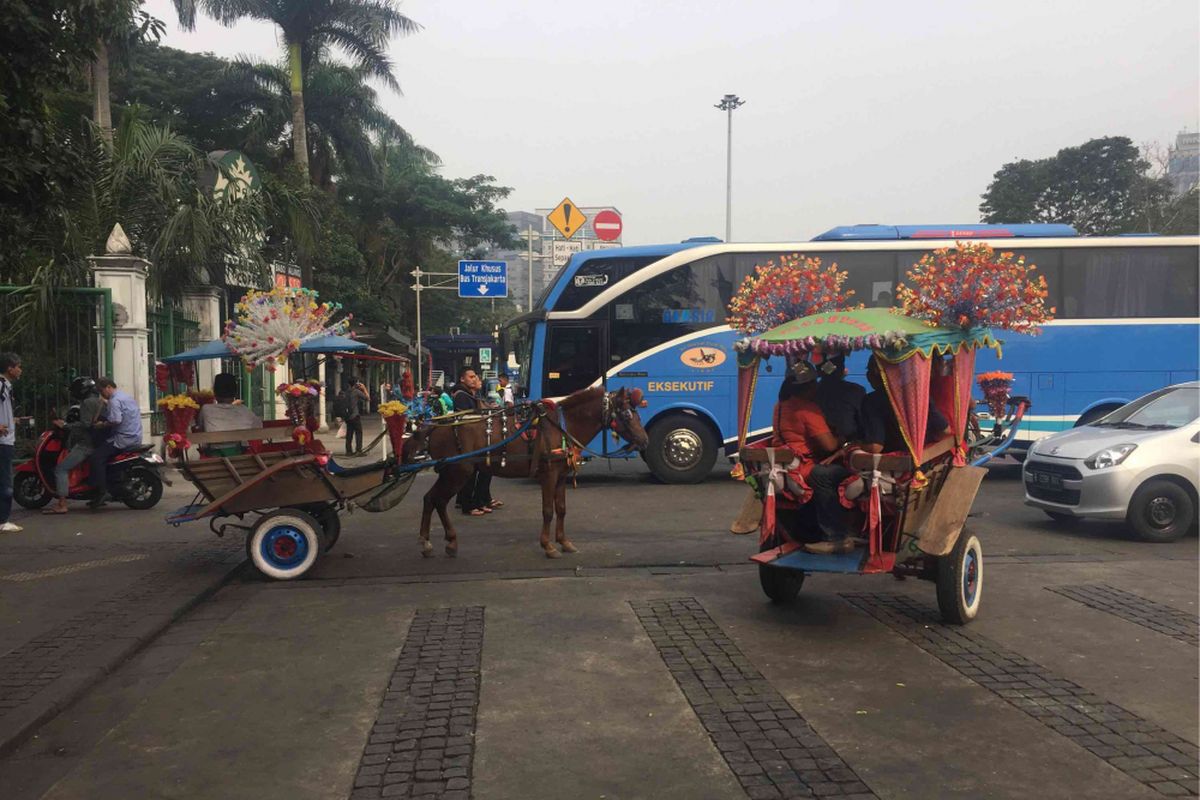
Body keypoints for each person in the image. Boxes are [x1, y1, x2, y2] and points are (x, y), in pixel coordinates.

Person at [769, 361, 850, 555]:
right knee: (827, 474)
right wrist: (843, 439)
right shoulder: (808, 409)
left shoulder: (780, 406)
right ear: (810, 386)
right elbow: (829, 445)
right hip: (804, 468)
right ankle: (836, 536)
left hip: (786, 466)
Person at [859, 356, 950, 455]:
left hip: (896, 465)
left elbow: (875, 447)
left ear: (877, 372)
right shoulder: (918, 394)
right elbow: (945, 431)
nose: (867, 375)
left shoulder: (872, 400)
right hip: (927, 461)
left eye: (869, 370)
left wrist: (852, 446)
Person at [44, 377, 105, 515]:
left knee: (61, 469)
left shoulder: (87, 402)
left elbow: (85, 425)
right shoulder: (99, 400)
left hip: (86, 444)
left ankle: (62, 504)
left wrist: (65, 425)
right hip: (98, 442)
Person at [87, 376, 143, 508]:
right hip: (135, 436)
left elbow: (116, 419)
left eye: (101, 391)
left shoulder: (114, 400)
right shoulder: (126, 397)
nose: (101, 394)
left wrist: (102, 424)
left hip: (123, 439)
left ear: (108, 387)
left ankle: (102, 491)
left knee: (96, 457)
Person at [452, 369, 501, 516]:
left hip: (476, 437)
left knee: (482, 468)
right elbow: (469, 417)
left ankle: (480, 500)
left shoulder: (471, 394)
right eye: (471, 377)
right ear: (462, 379)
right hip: (469, 439)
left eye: (476, 377)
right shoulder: (461, 395)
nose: (475, 379)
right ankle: (470, 504)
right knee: (473, 471)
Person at [814, 354, 865, 444]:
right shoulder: (855, 390)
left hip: (819, 443)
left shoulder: (810, 393)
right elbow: (863, 423)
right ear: (842, 368)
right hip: (848, 442)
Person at [0, 352, 22, 533]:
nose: (20, 370)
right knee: (6, 481)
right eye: (18, 366)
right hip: (3, 441)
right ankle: (3, 519)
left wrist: (11, 420)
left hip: (6, 437)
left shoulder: (6, 386)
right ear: (10, 368)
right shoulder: (1, 385)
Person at [337, 379, 369, 456]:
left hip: (347, 416)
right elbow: (367, 398)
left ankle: (348, 451)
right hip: (355, 415)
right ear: (355, 384)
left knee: (349, 434)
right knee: (358, 432)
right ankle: (358, 450)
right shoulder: (356, 392)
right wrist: (364, 388)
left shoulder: (345, 392)